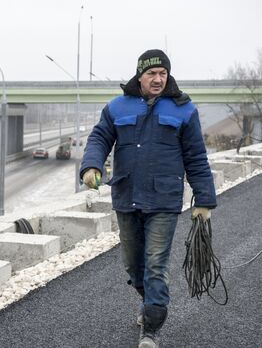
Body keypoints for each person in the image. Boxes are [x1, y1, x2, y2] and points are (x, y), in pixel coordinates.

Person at [79, 49, 217, 348]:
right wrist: (91, 165)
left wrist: (204, 200)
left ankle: (151, 329)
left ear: (168, 76)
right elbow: (99, 137)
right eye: (152, 74)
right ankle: (150, 305)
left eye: (163, 74)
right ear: (139, 76)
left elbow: (196, 157)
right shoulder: (117, 107)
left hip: (164, 201)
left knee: (156, 264)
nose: (158, 79)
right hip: (126, 195)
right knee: (133, 265)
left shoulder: (183, 109)